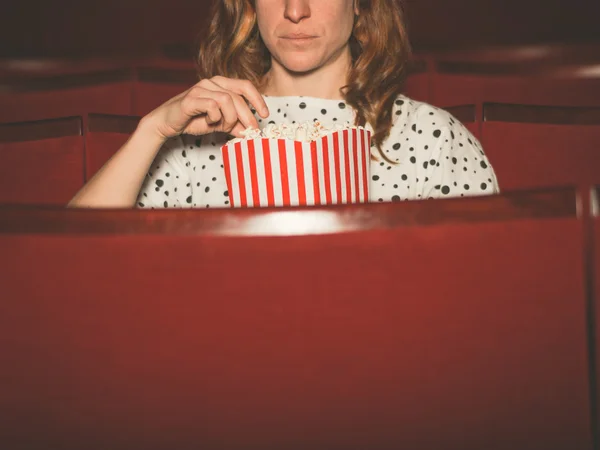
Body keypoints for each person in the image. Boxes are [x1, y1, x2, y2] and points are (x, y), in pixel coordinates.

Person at [68, 0, 499, 209]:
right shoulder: (195, 136)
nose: (296, 10)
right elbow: (72, 261)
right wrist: (151, 131)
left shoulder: (433, 138)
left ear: (361, 6)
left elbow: (482, 291)